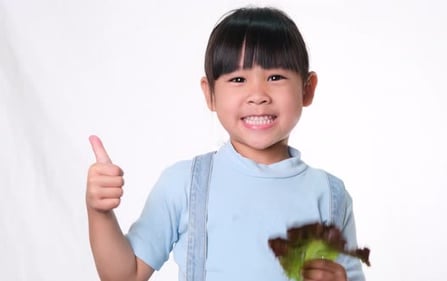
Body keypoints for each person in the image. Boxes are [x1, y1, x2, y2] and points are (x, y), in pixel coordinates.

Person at [86, 6, 366, 281]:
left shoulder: (331, 195)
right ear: (210, 94)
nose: (257, 95)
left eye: (275, 77)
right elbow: (125, 275)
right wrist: (99, 212)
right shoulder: (184, 184)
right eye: (238, 79)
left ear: (307, 88)